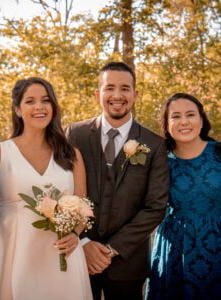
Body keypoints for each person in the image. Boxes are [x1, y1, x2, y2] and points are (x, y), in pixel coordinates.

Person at [0, 77, 93, 300]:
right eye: (30, 101)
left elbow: (82, 205)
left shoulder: (71, 154)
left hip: (61, 254)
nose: (39, 107)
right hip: (12, 251)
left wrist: (75, 235)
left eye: (45, 100)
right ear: (18, 110)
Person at [66, 61, 170, 300]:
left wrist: (110, 250)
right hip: (78, 256)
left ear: (135, 94)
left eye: (124, 88)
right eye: (109, 87)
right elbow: (63, 191)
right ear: (98, 94)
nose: (117, 95)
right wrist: (83, 243)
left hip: (128, 263)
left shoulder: (154, 144)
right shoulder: (74, 134)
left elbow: (155, 207)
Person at [146, 93, 221, 299]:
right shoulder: (160, 161)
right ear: (167, 124)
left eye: (190, 114)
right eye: (176, 116)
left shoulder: (219, 153)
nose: (184, 121)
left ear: (202, 119)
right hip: (175, 248)